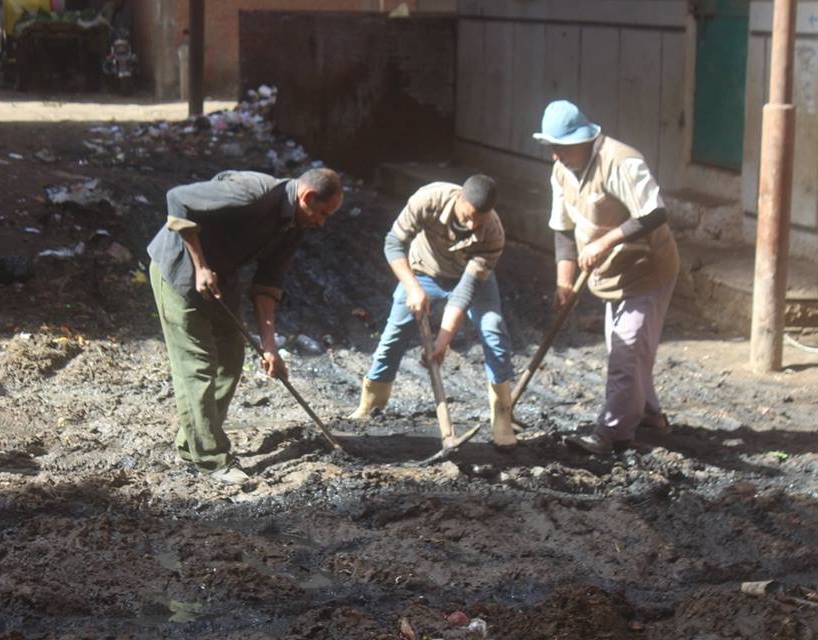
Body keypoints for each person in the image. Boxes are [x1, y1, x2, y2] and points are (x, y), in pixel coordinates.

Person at [147, 169, 344, 484]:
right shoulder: (253, 193)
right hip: (180, 269)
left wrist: (270, 347)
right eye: (322, 213)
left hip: (221, 278)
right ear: (307, 197)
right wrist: (200, 267)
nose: (322, 222)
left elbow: (267, 285)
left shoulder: (295, 226)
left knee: (231, 357)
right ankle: (211, 460)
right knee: (196, 365)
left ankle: (192, 442)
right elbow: (178, 198)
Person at [532, 100, 679, 455]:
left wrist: (605, 241)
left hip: (646, 269)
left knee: (626, 352)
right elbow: (563, 230)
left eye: (561, 148)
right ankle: (648, 414)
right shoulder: (562, 171)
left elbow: (655, 212)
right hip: (610, 276)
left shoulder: (622, 161)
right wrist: (564, 282)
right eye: (551, 148)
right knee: (628, 348)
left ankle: (612, 433)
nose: (555, 156)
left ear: (584, 139)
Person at [349, 175, 518, 448]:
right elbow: (393, 244)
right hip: (422, 271)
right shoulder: (429, 200)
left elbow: (465, 292)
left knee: (493, 329)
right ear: (459, 198)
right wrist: (412, 287)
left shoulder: (493, 233)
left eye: (481, 219)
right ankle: (371, 404)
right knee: (395, 332)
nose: (473, 224)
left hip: (469, 278)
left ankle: (502, 415)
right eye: (470, 215)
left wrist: (441, 343)